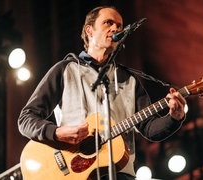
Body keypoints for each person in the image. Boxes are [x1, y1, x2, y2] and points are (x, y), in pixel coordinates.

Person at [18, 6, 186, 180]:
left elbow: (150, 129)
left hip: (121, 172)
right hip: (75, 173)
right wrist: (57, 132)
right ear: (89, 30)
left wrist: (174, 117)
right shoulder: (64, 70)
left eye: (120, 26)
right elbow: (26, 119)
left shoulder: (130, 80)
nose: (116, 29)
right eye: (108, 23)